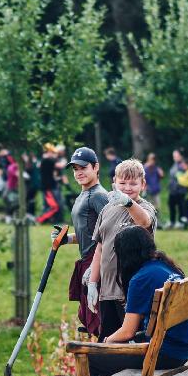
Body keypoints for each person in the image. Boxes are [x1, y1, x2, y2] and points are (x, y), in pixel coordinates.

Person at [50, 226, 188, 376]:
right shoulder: (166, 267)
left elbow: (126, 331)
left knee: (89, 359)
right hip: (180, 348)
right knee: (117, 352)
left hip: (163, 352)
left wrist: (106, 342)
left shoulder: (140, 279)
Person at [87, 159, 156, 339]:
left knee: (132, 341)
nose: (127, 188)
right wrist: (93, 283)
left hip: (131, 291)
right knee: (107, 342)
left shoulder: (144, 207)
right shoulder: (107, 209)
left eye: (133, 183)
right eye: (122, 183)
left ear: (143, 184)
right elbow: (100, 248)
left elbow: (145, 221)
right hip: (107, 291)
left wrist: (128, 203)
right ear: (114, 184)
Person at [51, 147, 109, 337]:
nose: (79, 173)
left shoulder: (98, 195)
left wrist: (96, 268)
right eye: (75, 169)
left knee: (101, 321)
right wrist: (66, 239)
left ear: (96, 167)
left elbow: (110, 232)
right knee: (94, 320)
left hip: (98, 262)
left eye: (83, 167)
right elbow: (89, 232)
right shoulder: (83, 195)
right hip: (87, 260)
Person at [37, 143, 62, 224]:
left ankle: (48, 220)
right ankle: (40, 220)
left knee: (49, 206)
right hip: (48, 187)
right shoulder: (47, 160)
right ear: (48, 152)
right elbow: (60, 165)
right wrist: (64, 160)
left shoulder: (44, 160)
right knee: (54, 207)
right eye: (52, 152)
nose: (54, 154)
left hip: (48, 187)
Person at [166, 149, 188, 229]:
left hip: (180, 190)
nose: (174, 157)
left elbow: (183, 177)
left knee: (181, 207)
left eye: (176, 156)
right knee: (171, 205)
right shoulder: (175, 164)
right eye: (174, 156)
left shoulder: (183, 165)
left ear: (181, 156)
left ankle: (181, 223)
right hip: (172, 190)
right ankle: (172, 221)